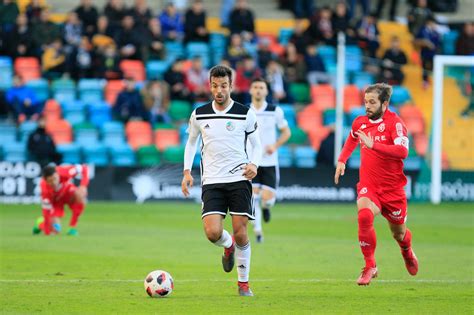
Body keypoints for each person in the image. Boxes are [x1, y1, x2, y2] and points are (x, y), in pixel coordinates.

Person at [181, 65, 262, 296]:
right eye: (215, 85)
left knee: (240, 231)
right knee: (212, 233)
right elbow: (191, 143)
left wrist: (254, 165)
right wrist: (187, 171)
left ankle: (243, 284)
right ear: (210, 86)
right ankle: (228, 247)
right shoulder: (199, 113)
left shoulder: (245, 113)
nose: (219, 90)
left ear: (231, 86)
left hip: (239, 179)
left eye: (224, 85)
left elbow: (257, 145)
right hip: (212, 181)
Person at [334, 83, 419, 286]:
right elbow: (352, 138)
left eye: (372, 102)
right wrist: (342, 159)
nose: (367, 106)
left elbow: (402, 152)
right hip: (369, 186)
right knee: (364, 214)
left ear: (385, 103)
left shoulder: (396, 124)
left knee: (398, 233)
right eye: (365, 102)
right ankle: (370, 265)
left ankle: (406, 250)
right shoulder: (360, 122)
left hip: (393, 190)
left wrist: (374, 145)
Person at [247, 78, 291, 243]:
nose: (258, 90)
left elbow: (286, 133)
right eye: (255, 87)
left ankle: (266, 209)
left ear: (266, 91)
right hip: (251, 162)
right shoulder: (244, 111)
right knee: (252, 198)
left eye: (261, 87)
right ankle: (258, 232)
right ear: (251, 90)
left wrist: (275, 145)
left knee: (268, 200)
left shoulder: (275, 111)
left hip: (270, 162)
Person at [33, 163, 89, 236]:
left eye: (55, 178)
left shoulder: (65, 172)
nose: (54, 182)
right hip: (55, 202)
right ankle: (40, 223)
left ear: (57, 174)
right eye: (50, 181)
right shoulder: (45, 190)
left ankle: (72, 228)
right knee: (55, 231)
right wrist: (47, 231)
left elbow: (84, 168)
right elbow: (46, 211)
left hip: (67, 192)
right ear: (45, 181)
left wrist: (83, 186)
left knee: (80, 196)